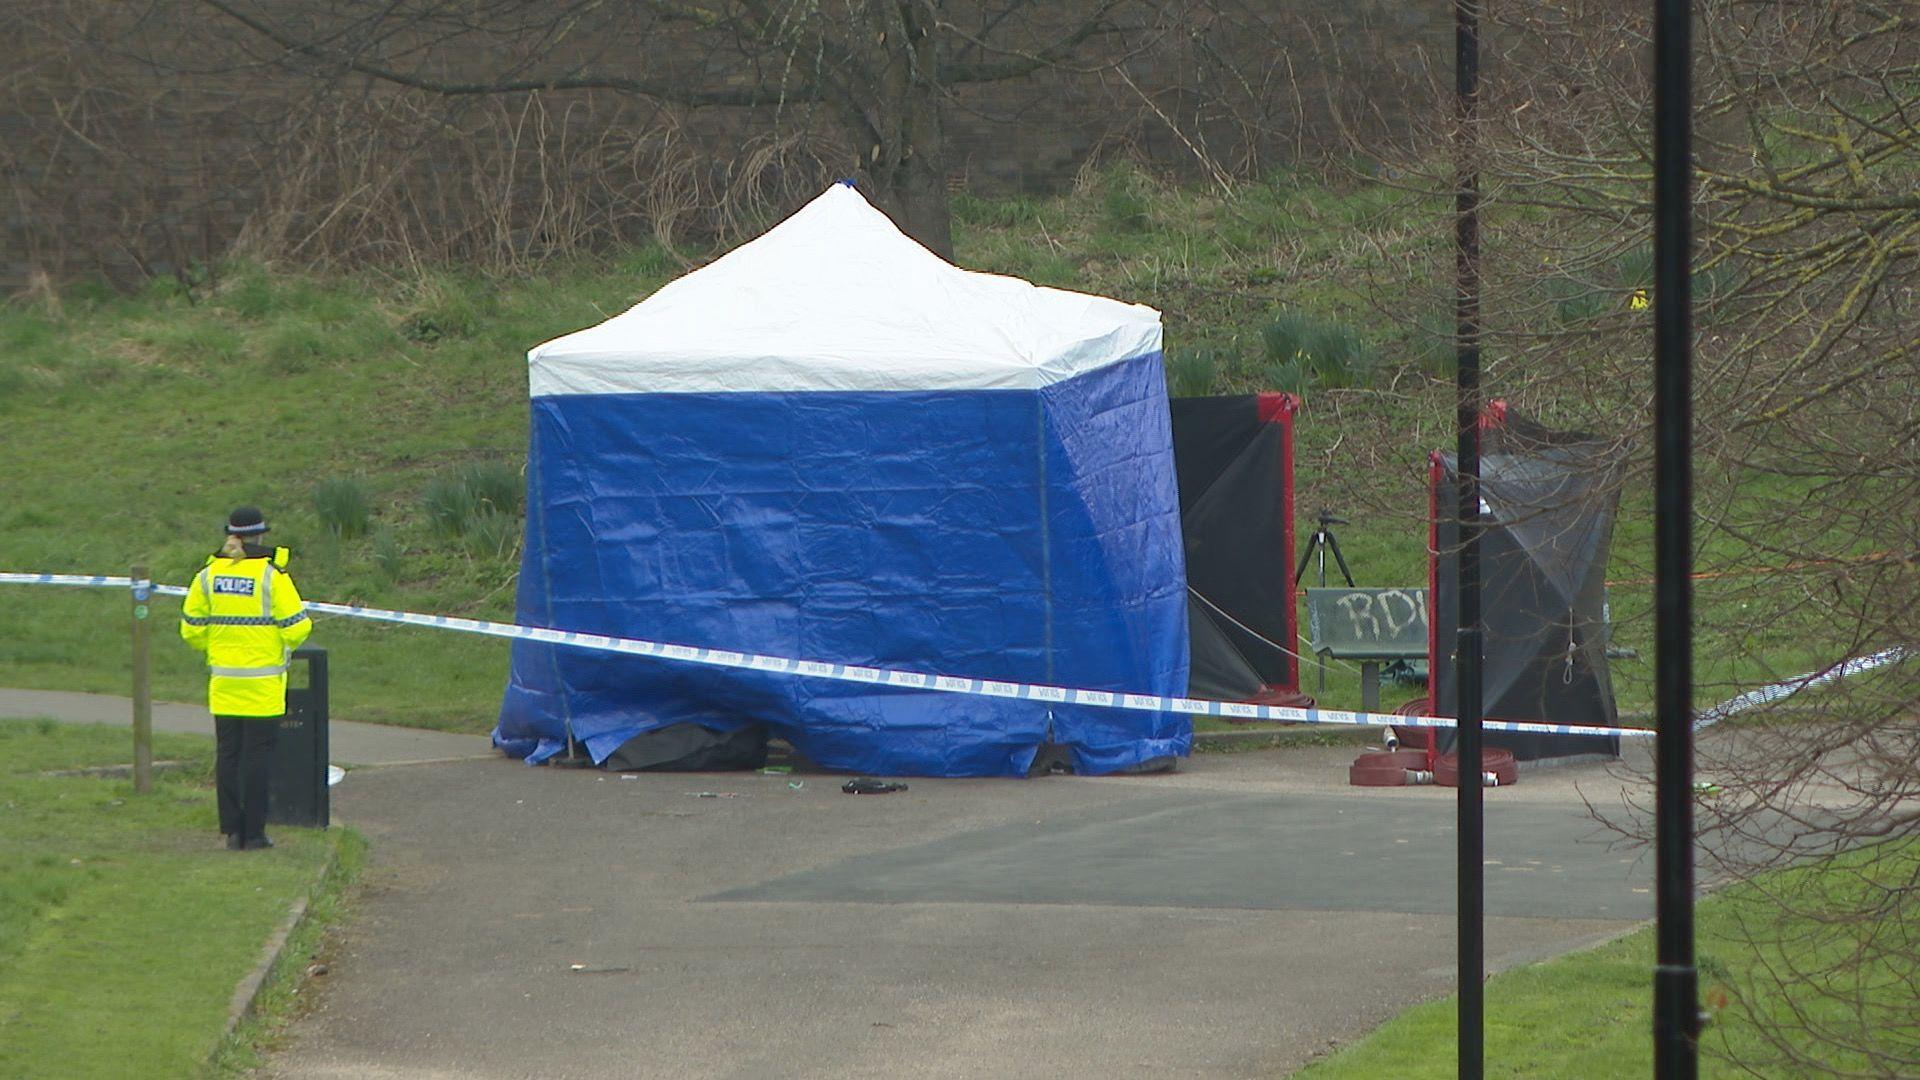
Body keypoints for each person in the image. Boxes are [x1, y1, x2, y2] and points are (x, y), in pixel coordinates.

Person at [179, 506, 312, 850]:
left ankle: (232, 830)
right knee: (257, 758)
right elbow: (298, 628)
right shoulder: (272, 577)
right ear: (261, 535)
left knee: (228, 755)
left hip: (224, 682)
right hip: (263, 685)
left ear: (231, 535)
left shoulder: (207, 576)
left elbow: (190, 630)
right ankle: (254, 833)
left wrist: (220, 648)